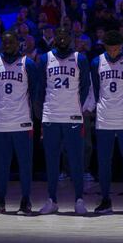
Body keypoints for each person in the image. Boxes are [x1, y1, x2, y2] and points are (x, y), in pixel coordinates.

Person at [36, 26, 91, 215]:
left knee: (76, 160)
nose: (61, 38)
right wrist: (41, 114)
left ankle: (79, 199)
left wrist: (75, 106)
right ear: (54, 38)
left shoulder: (80, 59)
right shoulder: (45, 59)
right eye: (58, 35)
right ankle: (52, 200)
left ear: (71, 37)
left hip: (73, 116)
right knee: (51, 161)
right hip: (51, 116)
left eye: (65, 35)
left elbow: (85, 87)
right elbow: (39, 88)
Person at [0, 31, 38, 215]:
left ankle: (26, 201)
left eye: (11, 42)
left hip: (22, 121)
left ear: (18, 43)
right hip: (0, 122)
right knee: (2, 165)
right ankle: (0, 201)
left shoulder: (28, 64)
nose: (7, 45)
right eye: (5, 42)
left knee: (25, 164)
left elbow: (34, 91)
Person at [90, 30, 123, 214]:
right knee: (104, 161)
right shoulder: (97, 62)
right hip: (104, 118)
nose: (113, 52)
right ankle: (105, 199)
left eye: (116, 48)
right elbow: (95, 90)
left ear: (122, 46)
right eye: (109, 49)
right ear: (105, 47)